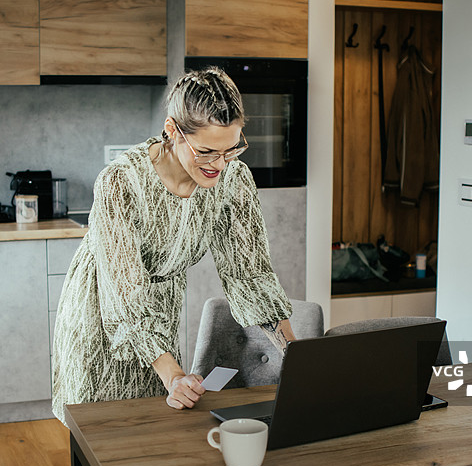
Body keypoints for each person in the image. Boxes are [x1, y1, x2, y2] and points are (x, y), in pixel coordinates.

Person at [51, 67, 297, 424]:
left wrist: (299, 357)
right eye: (206, 151)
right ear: (172, 130)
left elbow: (250, 275)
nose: (219, 165)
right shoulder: (121, 182)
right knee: (102, 431)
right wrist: (174, 375)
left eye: (231, 149)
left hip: (160, 315)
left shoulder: (233, 177)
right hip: (102, 312)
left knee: (158, 429)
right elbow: (124, 299)